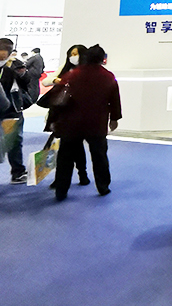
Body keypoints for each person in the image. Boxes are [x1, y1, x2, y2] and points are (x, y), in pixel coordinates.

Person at [52, 45, 121, 199]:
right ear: (102, 59)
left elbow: (59, 98)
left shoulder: (72, 75)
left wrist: (55, 119)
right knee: (99, 156)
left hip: (71, 122)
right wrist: (114, 118)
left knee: (65, 157)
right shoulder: (108, 76)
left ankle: (61, 190)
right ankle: (103, 187)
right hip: (96, 123)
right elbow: (114, 100)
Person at [41, 44, 89, 188]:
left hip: (79, 115)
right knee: (66, 147)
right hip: (61, 114)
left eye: (76, 54)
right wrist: (56, 80)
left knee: (74, 146)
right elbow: (46, 81)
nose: (73, 57)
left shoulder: (88, 71)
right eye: (71, 54)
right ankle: (69, 177)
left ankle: (79, 174)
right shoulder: (65, 68)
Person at [1, 38, 39, 183]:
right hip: (5, 107)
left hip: (12, 109)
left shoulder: (15, 64)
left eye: (4, 56)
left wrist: (19, 73)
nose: (2, 59)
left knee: (14, 141)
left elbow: (26, 81)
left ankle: (17, 172)